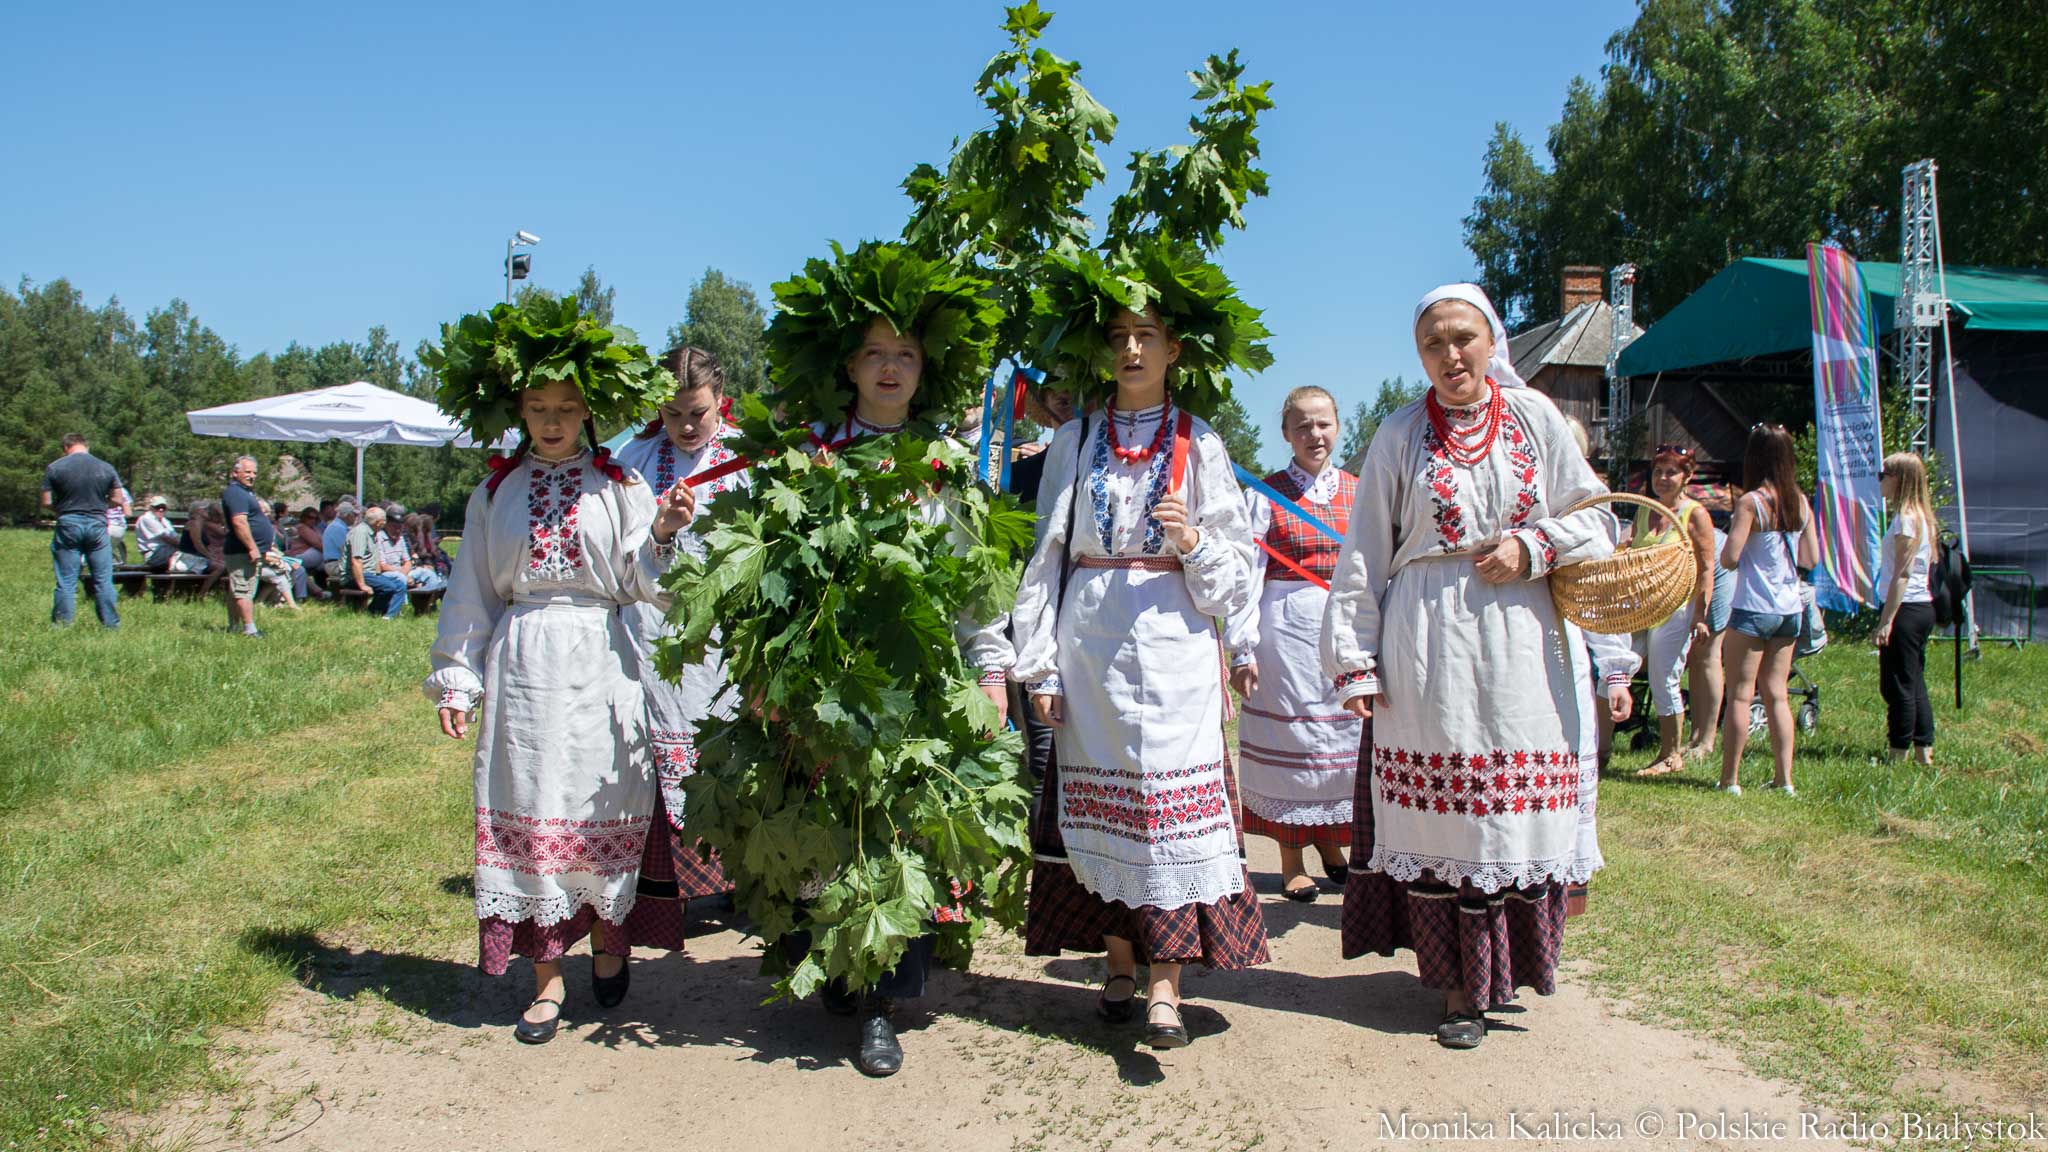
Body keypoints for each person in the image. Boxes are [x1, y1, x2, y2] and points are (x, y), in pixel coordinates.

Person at [1321, 283, 1612, 1050]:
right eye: (1433, 344)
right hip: (1429, 647)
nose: (1450, 355)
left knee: (1505, 816)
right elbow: (1362, 557)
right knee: (1448, 817)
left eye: (1462, 339)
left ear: (1492, 343)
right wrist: (1355, 661)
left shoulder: (1537, 419)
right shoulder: (1399, 434)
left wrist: (1534, 547)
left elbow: (1601, 521)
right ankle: (1458, 989)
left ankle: (1503, 973)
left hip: (1523, 643)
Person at [1013, 241, 1272, 1051]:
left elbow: (1239, 575)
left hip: (1174, 654)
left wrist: (1195, 544)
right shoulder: (1075, 441)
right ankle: (1118, 963)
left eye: (1147, 335)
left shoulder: (1205, 444)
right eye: (1120, 334)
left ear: (1175, 350)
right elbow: (1043, 560)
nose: (1131, 349)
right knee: (1103, 810)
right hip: (1089, 648)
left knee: (1168, 814)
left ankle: (1168, 986)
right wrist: (1038, 663)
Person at [782, 276, 1015, 1077]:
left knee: (896, 829)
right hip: (825, 674)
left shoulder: (947, 463)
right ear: (849, 365)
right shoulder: (811, 451)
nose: (890, 369)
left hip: (917, 674)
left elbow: (974, 576)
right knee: (828, 828)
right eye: (875, 354)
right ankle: (833, 976)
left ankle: (881, 1000)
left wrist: (989, 666)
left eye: (905, 355)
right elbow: (774, 573)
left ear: (924, 370)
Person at [425, 343, 686, 1046]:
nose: (551, 421)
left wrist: (660, 534)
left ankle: (609, 942)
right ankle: (545, 980)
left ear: (588, 412)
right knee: (533, 803)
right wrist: (459, 674)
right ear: (517, 411)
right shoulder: (495, 492)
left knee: (603, 801)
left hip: (603, 660)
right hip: (524, 663)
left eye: (566, 408)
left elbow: (643, 584)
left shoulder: (621, 484)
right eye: (538, 408)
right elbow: (470, 593)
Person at [611, 346, 746, 921]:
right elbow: (618, 553)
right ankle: (665, 891)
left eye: (699, 412)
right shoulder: (633, 460)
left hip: (729, 633)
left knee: (728, 748)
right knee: (654, 749)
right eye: (674, 415)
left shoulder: (750, 458)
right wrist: (660, 537)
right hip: (653, 628)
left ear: (721, 401)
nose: (688, 426)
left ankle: (738, 885)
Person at [1224, 386, 1361, 901]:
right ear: (1286, 433)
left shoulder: (1359, 490)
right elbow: (1246, 577)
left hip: (1342, 636)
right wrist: (1243, 648)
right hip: (1284, 639)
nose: (1315, 435)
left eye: (1323, 424)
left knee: (1339, 748)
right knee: (1296, 748)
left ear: (1338, 427)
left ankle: (1331, 848)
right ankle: (1290, 862)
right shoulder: (1264, 494)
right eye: (1303, 426)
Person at [1717, 423, 1818, 797]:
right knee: (1777, 693)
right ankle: (1784, 778)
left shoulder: (1750, 503)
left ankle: (1730, 779)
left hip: (1752, 607)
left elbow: (1729, 558)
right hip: (1790, 610)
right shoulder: (1800, 502)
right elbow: (1812, 557)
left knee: (1741, 694)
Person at [1629, 445, 1717, 777]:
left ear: (1687, 477)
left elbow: (1707, 567)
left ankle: (1670, 754)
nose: (1662, 479)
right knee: (1615, 668)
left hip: (1677, 608)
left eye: (1671, 473)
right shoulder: (1644, 510)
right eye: (1657, 472)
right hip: (1639, 608)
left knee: (1662, 678)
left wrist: (1699, 614)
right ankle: (1601, 750)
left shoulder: (1694, 514)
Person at [1874, 452, 1937, 764]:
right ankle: (1923, 750)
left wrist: (1886, 620)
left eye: (1883, 475)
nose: (1880, 481)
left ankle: (1897, 752)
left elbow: (1902, 573)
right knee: (1914, 679)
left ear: (1899, 479)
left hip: (1906, 607)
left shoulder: (1905, 519)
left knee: (1897, 683)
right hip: (1921, 606)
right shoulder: (1921, 517)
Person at [42, 433, 127, 629]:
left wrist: (62, 510)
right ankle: (111, 625)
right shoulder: (106, 467)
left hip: (68, 523)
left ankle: (63, 625)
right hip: (97, 523)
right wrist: (99, 506)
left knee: (67, 579)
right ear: (86, 446)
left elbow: (46, 501)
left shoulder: (55, 467)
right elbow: (117, 499)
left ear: (66, 447)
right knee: (103, 579)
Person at [220, 456, 277, 637]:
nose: (252, 476)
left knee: (237, 588)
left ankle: (234, 626)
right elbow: (239, 522)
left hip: (248, 550)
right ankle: (249, 629)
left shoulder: (244, 492)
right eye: (247, 472)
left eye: (254, 473)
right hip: (241, 551)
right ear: (235, 473)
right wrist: (252, 547)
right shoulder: (235, 493)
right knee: (243, 590)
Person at [348, 507, 408, 618]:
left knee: (399, 584)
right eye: (384, 520)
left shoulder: (373, 532)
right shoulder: (360, 532)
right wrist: (362, 585)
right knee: (388, 587)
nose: (385, 523)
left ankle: (389, 616)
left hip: (370, 573)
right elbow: (356, 560)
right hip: (357, 575)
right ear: (378, 522)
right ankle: (371, 613)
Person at [136, 496, 179, 571]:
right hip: (154, 555)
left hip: (167, 551)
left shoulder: (165, 521)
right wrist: (184, 547)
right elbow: (166, 538)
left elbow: (175, 537)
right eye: (157, 507)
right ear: (151, 508)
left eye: (163, 507)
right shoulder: (146, 518)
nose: (161, 509)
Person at [322, 498, 357, 580]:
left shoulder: (339, 526)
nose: (355, 517)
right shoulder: (337, 528)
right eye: (354, 515)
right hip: (335, 565)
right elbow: (347, 551)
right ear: (348, 515)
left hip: (338, 563)